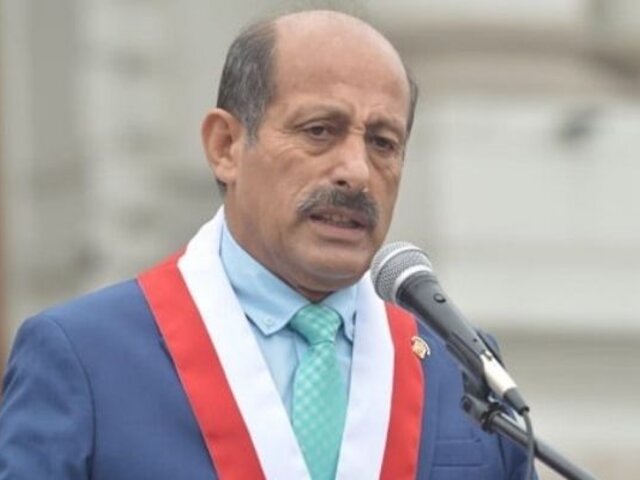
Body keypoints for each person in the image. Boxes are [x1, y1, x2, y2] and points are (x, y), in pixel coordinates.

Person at [0, 10, 533, 480]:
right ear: (226, 146)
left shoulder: (463, 371)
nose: (356, 171)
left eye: (382, 142)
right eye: (320, 130)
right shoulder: (86, 357)